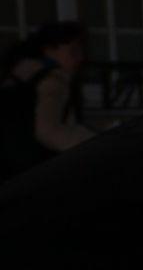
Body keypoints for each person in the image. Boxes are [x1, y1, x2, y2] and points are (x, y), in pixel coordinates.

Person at [0, 19, 95, 179]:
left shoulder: (18, 76)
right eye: (73, 51)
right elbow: (48, 131)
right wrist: (92, 143)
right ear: (49, 49)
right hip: (36, 168)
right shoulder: (52, 81)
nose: (80, 58)